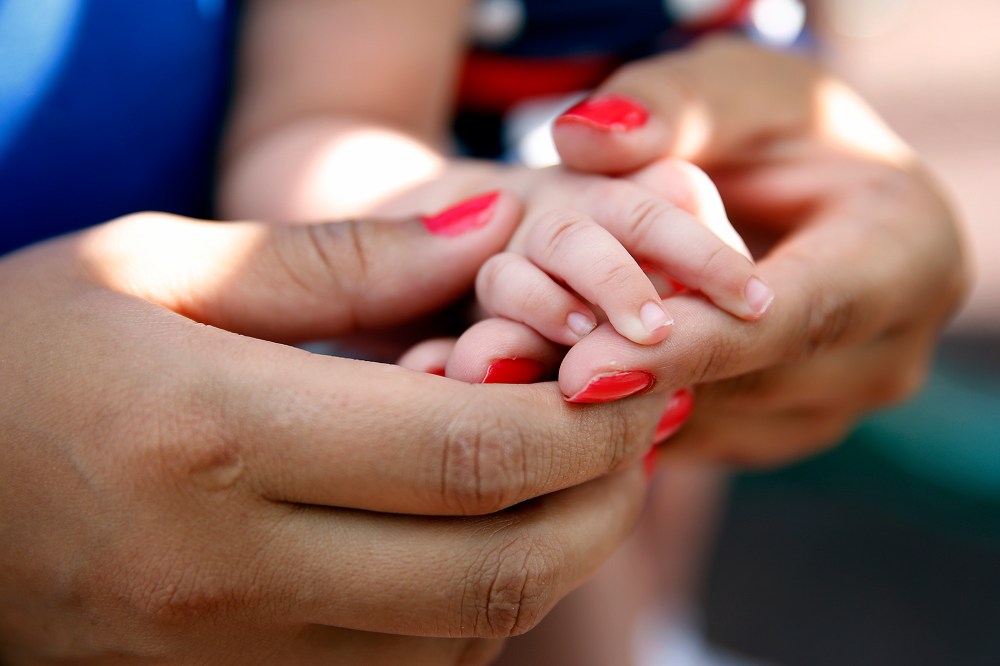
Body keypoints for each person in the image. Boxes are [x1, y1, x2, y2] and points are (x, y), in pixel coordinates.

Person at [1, 2, 968, 665]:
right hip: (452, 323)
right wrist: (514, 215)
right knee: (526, 509)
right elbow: (320, 134)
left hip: (663, 453)